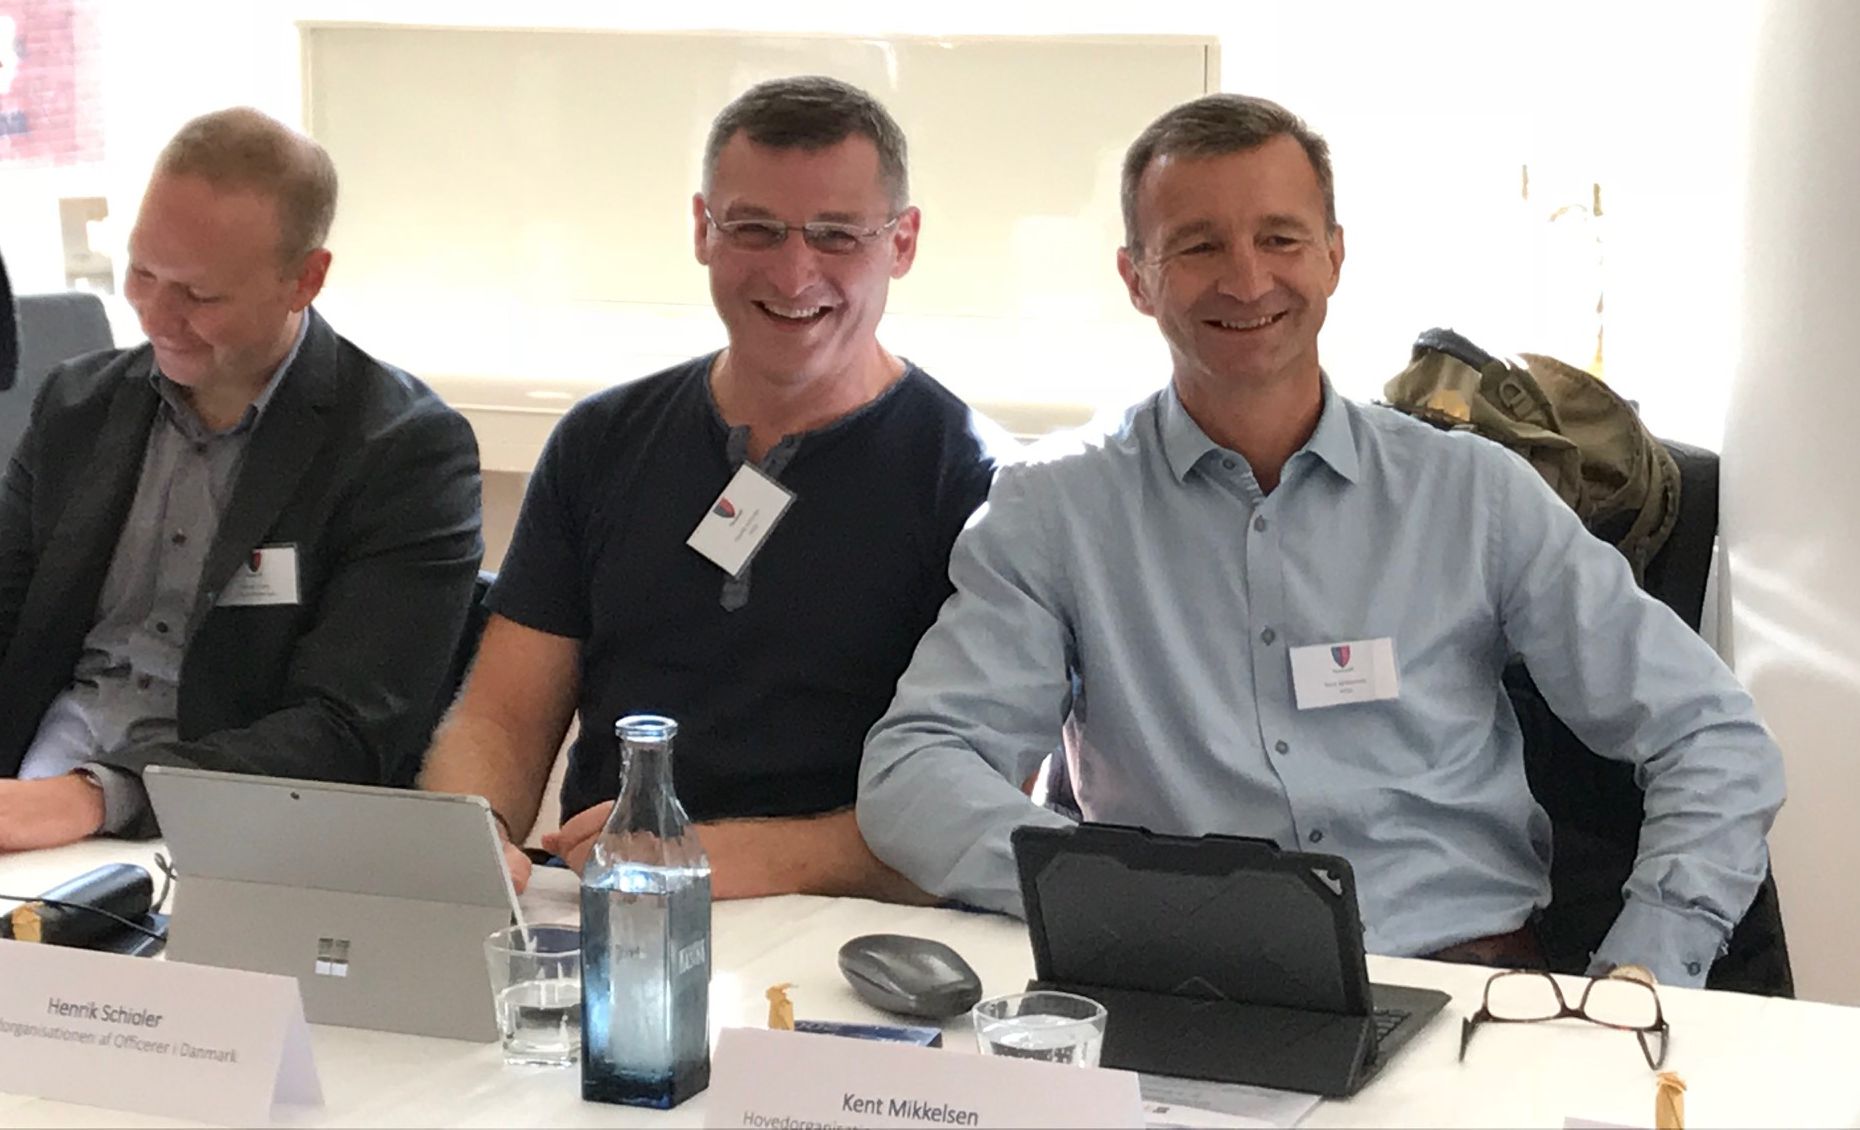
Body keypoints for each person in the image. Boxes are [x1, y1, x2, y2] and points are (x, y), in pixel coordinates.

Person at [856, 93, 1784, 988]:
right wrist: (1111, 895)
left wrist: (1644, 968)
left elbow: (1713, 736)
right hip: (1178, 985)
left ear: (1334, 256)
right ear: (1137, 279)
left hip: (1462, 983)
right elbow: (915, 769)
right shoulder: (1056, 508)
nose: (1247, 279)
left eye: (1280, 239)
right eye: (1199, 246)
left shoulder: (1473, 495)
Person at [419, 76, 1002, 899]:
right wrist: (469, 838)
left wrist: (733, 857)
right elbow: (501, 717)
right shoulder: (601, 441)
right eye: (755, 229)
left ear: (901, 243)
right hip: (609, 913)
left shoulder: (976, 483)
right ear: (702, 229)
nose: (794, 275)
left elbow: (982, 808)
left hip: (845, 928)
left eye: (837, 235)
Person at [0, 107, 483, 850]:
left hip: (238, 835)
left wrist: (101, 794)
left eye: (200, 296)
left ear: (305, 280)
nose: (157, 317)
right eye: (142, 274)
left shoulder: (403, 452)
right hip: (32, 797)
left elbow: (345, 731)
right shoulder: (78, 407)